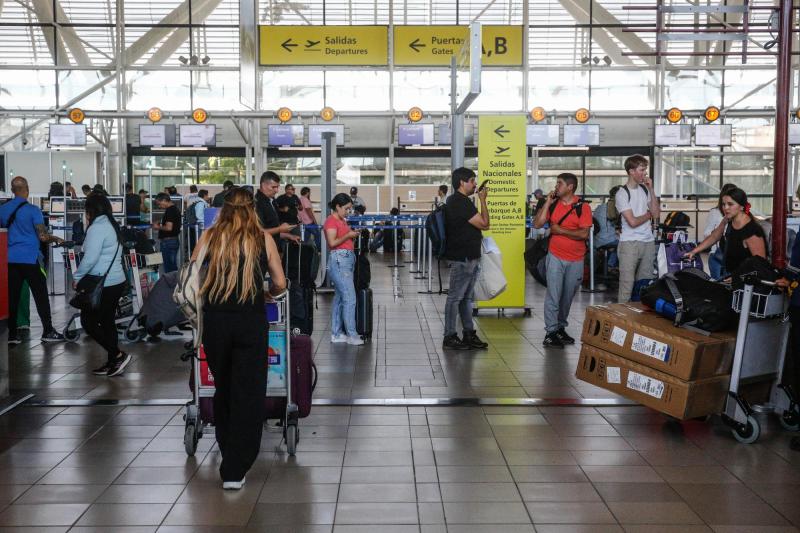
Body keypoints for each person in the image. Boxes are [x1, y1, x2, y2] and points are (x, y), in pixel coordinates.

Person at [193, 187, 286, 490]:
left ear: (223, 209)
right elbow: (280, 283)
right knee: (248, 392)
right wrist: (266, 292)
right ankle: (236, 466)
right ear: (251, 208)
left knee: (224, 387)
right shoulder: (262, 238)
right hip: (250, 321)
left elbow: (191, 275)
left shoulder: (210, 237)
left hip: (216, 322)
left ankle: (228, 451)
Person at [0, 176, 65, 344]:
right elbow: (43, 237)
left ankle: (12, 335)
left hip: (10, 259)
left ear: (12, 190)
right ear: (27, 189)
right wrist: (56, 238)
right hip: (30, 259)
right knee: (40, 295)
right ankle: (48, 331)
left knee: (12, 297)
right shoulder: (33, 210)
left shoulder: (3, 209)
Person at [533, 173, 594, 348]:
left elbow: (583, 233)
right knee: (554, 294)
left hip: (576, 258)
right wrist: (547, 202)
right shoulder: (553, 205)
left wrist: (560, 231)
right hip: (555, 256)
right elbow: (537, 224)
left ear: (570, 187)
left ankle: (560, 327)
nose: (556, 186)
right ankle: (551, 332)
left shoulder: (583, 207)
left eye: (559, 183)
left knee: (567, 296)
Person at [73, 194, 130, 377]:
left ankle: (117, 355)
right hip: (116, 280)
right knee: (107, 322)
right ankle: (113, 361)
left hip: (102, 283)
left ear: (90, 210)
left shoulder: (97, 227)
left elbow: (90, 258)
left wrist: (77, 276)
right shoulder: (111, 224)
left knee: (88, 322)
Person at [441, 167, 490, 351]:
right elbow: (484, 224)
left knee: (466, 298)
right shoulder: (459, 202)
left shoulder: (460, 201)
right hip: (463, 258)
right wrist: (483, 200)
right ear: (462, 182)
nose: (475, 184)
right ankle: (449, 336)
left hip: (469, 256)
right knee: (455, 297)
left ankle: (468, 333)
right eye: (472, 181)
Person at [685, 187, 766, 275]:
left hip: (743, 279)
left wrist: (737, 276)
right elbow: (714, 236)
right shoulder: (728, 219)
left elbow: (760, 265)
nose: (725, 208)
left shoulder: (752, 230)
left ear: (742, 206)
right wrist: (694, 251)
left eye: (730, 204)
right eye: (724, 204)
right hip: (729, 274)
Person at [616, 154, 660, 302]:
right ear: (631, 171)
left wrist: (651, 189)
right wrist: (649, 214)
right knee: (627, 286)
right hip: (629, 243)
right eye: (642, 170)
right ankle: (622, 315)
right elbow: (633, 222)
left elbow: (656, 213)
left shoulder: (645, 190)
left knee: (644, 285)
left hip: (648, 242)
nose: (645, 173)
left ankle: (639, 315)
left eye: (645, 169)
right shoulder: (622, 194)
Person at [324, 193, 365, 346]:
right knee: (350, 298)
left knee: (340, 298)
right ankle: (352, 335)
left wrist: (351, 235)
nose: (348, 212)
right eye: (346, 209)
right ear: (338, 206)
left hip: (345, 260)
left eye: (349, 209)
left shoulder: (341, 220)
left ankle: (336, 334)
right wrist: (348, 235)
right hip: (339, 261)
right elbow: (332, 242)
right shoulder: (331, 221)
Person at [703, 183, 738, 279]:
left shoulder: (740, 213)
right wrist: (719, 231)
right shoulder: (715, 212)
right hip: (717, 257)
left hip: (735, 258)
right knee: (719, 285)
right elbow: (706, 234)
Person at [255, 172, 299, 246]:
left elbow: (272, 229)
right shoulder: (257, 203)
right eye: (273, 187)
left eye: (277, 187)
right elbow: (258, 233)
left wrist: (289, 236)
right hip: (264, 249)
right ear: (263, 185)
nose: (276, 190)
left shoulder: (272, 201)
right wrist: (280, 229)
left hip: (274, 246)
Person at [152, 192, 181, 273]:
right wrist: (160, 222)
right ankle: (174, 280)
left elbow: (168, 227)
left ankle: (173, 281)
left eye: (159, 203)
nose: (159, 206)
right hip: (172, 241)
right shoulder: (174, 209)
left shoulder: (170, 210)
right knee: (172, 266)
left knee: (169, 268)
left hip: (168, 242)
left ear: (164, 200)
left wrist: (157, 227)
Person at [593, 186, 620, 269]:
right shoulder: (614, 208)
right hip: (607, 240)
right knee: (626, 243)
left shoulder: (599, 207)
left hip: (596, 239)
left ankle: (608, 264)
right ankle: (611, 265)